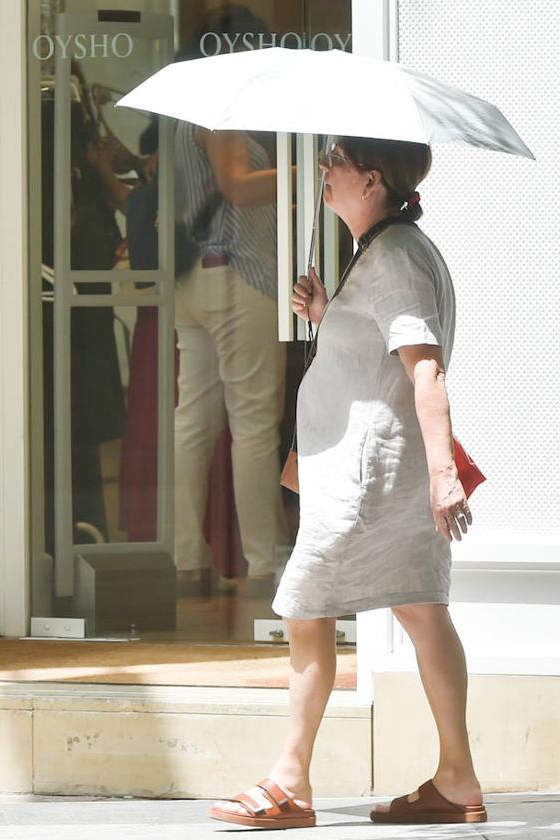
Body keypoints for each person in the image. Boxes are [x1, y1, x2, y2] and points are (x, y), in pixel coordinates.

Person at [207, 137, 486, 829]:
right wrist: (329, 316)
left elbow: (426, 371)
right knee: (422, 610)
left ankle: (289, 782)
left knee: (306, 612)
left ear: (372, 178)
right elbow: (382, 359)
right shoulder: (394, 253)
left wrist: (445, 476)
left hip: (368, 481)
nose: (323, 172)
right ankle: (456, 777)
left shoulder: (394, 259)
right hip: (382, 475)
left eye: (333, 161)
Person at [172, 10, 290, 593]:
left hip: (194, 279)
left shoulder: (183, 107)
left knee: (192, 422)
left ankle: (186, 557)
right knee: (253, 425)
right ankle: (264, 562)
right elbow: (237, 186)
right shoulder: (221, 105)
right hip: (238, 272)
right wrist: (304, 173)